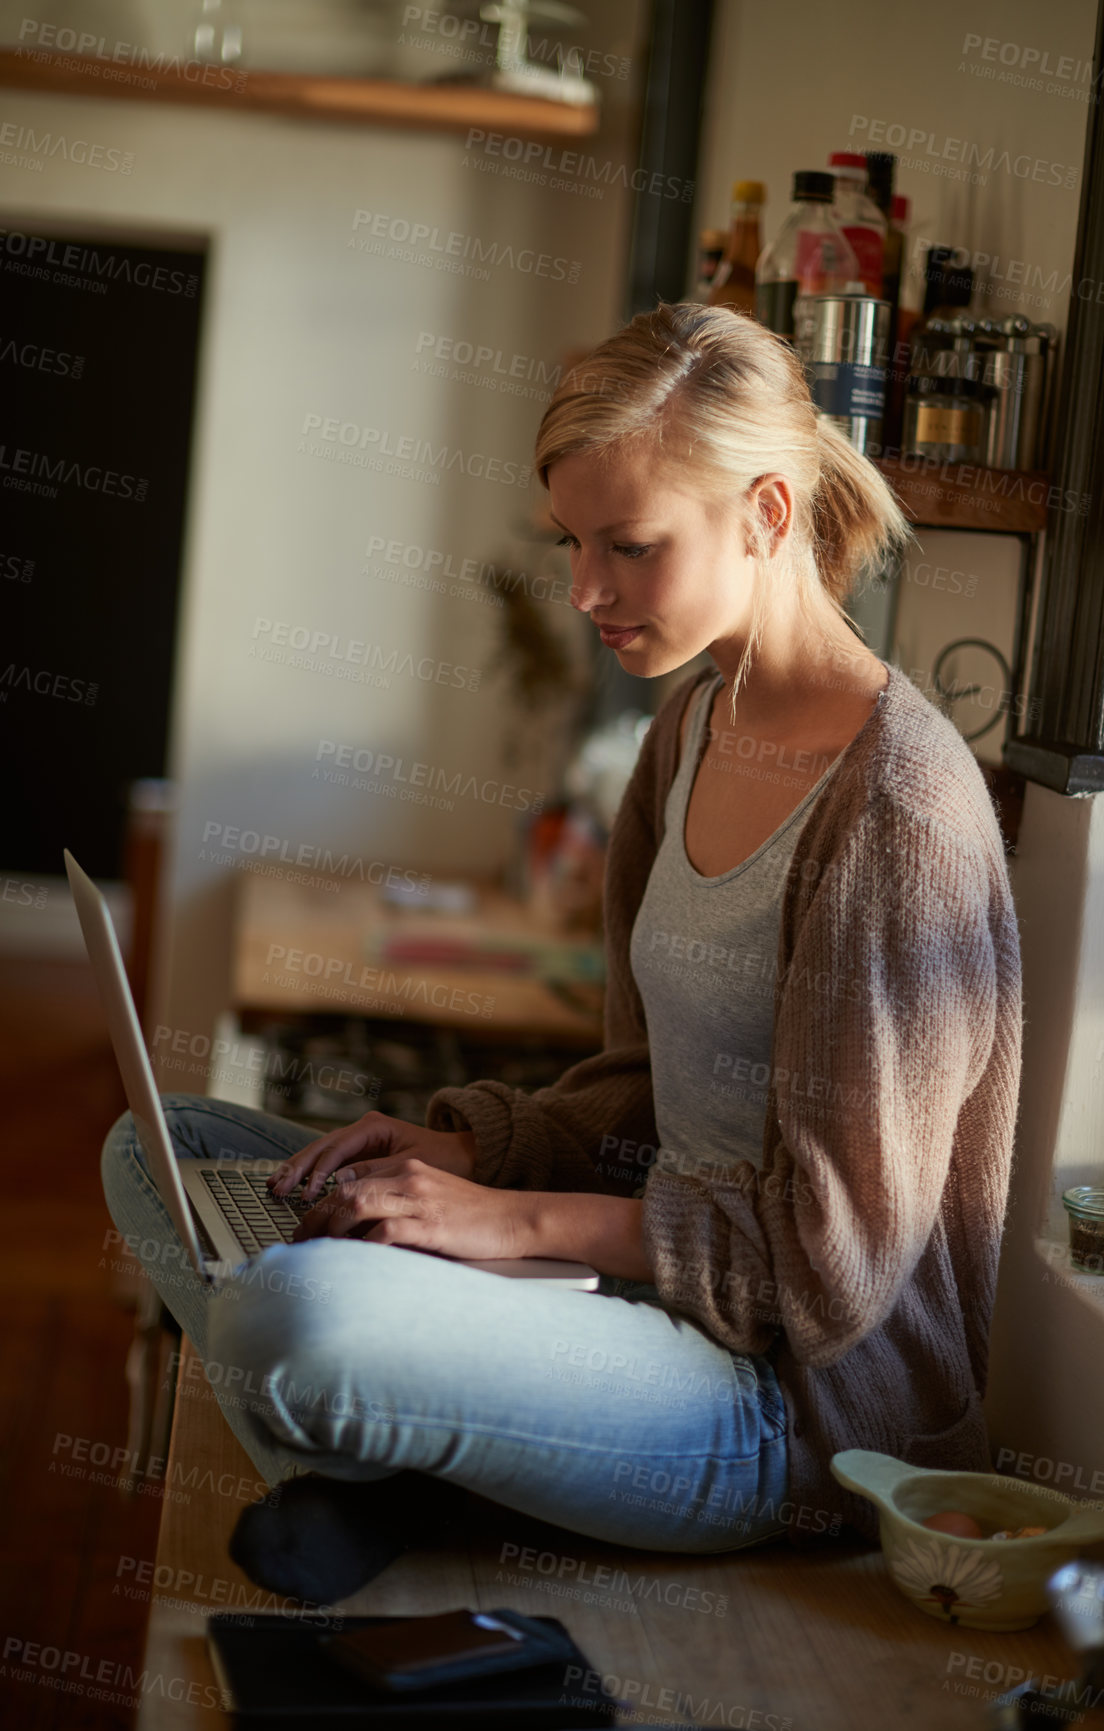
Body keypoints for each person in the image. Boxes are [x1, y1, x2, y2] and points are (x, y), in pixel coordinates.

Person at [101, 301, 1021, 1604]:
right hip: (637, 1307)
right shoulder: (689, 730)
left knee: (289, 1318)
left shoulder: (899, 814)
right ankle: (396, 1470)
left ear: (767, 515)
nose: (586, 591)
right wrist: (474, 1151)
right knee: (162, 1152)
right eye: (575, 545)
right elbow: (643, 1081)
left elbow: (832, 1270)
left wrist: (508, 1219)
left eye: (630, 547)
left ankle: (385, 1472)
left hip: (792, 1410)